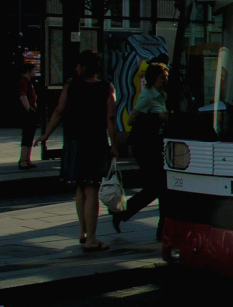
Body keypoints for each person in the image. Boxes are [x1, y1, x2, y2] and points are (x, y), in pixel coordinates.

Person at [38, 51, 117, 253]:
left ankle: (82, 231)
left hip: (74, 141)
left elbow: (58, 110)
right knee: (91, 189)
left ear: (83, 67)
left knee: (80, 188)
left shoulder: (71, 85)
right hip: (95, 142)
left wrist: (46, 135)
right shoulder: (106, 88)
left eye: (78, 65)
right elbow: (110, 118)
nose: (76, 68)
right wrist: (114, 144)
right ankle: (92, 239)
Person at [113, 62, 168, 236]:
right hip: (144, 147)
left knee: (161, 187)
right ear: (153, 79)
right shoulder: (148, 96)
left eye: (166, 77)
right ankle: (123, 213)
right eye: (162, 78)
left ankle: (162, 227)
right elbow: (132, 120)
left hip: (155, 145)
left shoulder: (162, 96)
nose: (165, 80)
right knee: (158, 187)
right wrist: (157, 117)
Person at [16, 63, 39, 170]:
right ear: (28, 70)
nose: (35, 72)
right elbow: (23, 96)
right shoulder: (24, 81)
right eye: (34, 70)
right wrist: (29, 110)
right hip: (27, 113)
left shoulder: (28, 82)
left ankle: (27, 159)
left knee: (29, 135)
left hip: (31, 111)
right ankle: (23, 160)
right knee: (27, 136)